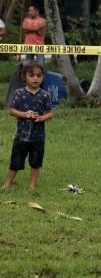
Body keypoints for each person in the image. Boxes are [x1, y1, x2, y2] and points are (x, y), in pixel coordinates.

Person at [5, 61, 54, 190]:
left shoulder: (45, 95)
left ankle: (32, 186)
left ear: (43, 77)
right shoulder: (19, 93)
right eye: (32, 75)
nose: (35, 78)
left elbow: (50, 114)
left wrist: (41, 117)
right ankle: (7, 184)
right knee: (16, 161)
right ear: (24, 77)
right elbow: (11, 111)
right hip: (21, 136)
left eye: (39, 75)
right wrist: (24, 114)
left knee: (35, 162)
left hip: (38, 137)